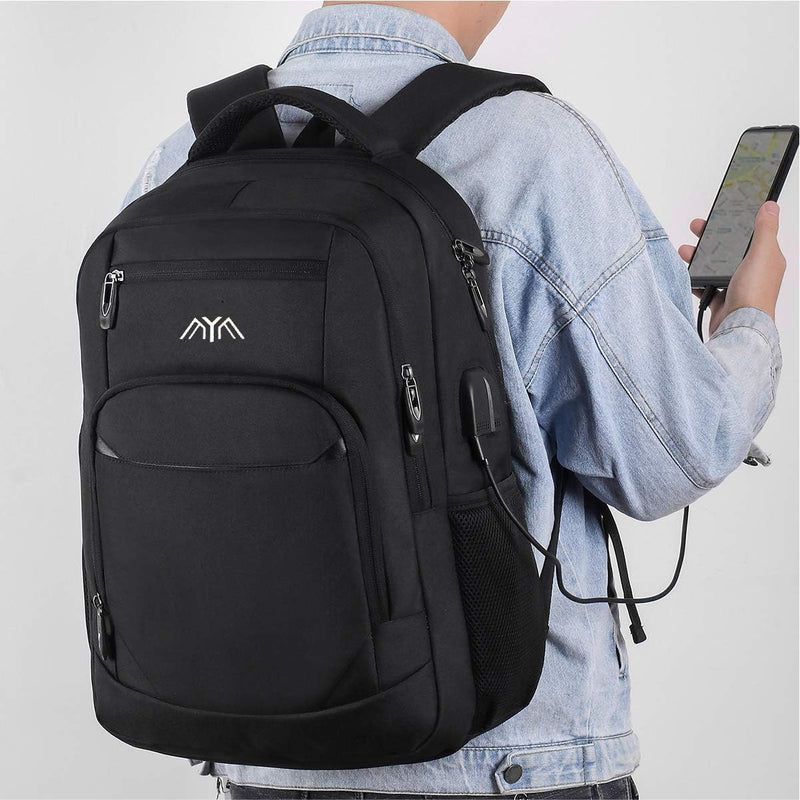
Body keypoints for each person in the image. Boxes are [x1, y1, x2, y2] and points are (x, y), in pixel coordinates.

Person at [123, 3, 786, 798]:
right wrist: (749, 322)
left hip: (264, 760)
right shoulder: (528, 148)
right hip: (506, 761)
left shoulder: (185, 156)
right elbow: (675, 452)